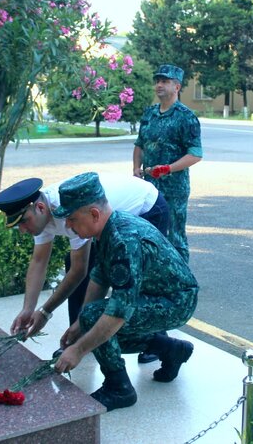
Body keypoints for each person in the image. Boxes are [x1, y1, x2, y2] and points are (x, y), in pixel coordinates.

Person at [51, 172, 199, 411]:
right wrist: (79, 325)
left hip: (176, 301)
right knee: (91, 320)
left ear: (94, 214)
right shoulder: (108, 227)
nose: (67, 225)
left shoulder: (123, 239)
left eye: (72, 218)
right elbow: (99, 276)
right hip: (157, 295)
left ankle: (118, 388)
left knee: (98, 320)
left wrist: (78, 349)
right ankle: (171, 349)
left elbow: (119, 312)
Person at [0, 174, 169, 357]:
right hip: (106, 220)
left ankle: (160, 341)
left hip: (146, 207)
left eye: (24, 222)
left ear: (40, 208)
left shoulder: (67, 211)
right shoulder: (39, 215)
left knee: (139, 278)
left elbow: (79, 270)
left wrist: (44, 312)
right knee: (83, 267)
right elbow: (39, 261)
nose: (22, 230)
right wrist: (28, 309)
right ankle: (77, 337)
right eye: (18, 225)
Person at [133, 64, 202, 263]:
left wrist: (167, 169)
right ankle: (154, 279)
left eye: (165, 81)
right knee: (148, 232)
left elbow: (195, 154)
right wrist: (136, 168)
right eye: (157, 81)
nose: (159, 85)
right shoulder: (149, 114)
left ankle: (182, 283)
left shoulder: (186, 117)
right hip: (147, 187)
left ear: (177, 87)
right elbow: (140, 144)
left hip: (174, 189)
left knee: (175, 235)